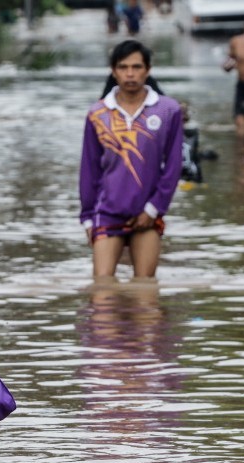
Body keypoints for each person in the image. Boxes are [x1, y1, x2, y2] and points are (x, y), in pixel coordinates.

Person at [79, 40, 184, 282]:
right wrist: (86, 217)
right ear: (113, 71)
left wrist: (153, 208)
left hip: (148, 212)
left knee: (145, 294)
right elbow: (90, 169)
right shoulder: (98, 113)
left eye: (136, 67)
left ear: (147, 70)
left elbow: (173, 166)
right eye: (123, 67)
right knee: (102, 292)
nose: (130, 74)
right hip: (107, 212)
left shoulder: (168, 111)